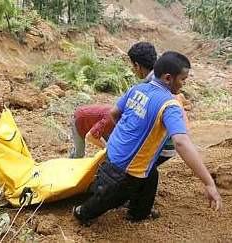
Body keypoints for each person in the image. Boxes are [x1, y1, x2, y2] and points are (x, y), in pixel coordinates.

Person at [73, 51, 222, 225]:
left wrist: (127, 133)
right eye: (183, 79)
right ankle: (81, 212)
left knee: (150, 174)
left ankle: (139, 213)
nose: (183, 84)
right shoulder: (169, 105)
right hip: (126, 167)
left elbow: (114, 114)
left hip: (116, 152)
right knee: (112, 197)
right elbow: (181, 142)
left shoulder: (137, 89)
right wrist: (209, 183)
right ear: (168, 78)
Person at [69, 42, 157, 158]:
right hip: (79, 120)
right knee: (79, 155)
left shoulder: (147, 85)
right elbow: (90, 137)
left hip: (98, 120)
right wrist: (106, 149)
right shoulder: (111, 119)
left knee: (113, 146)